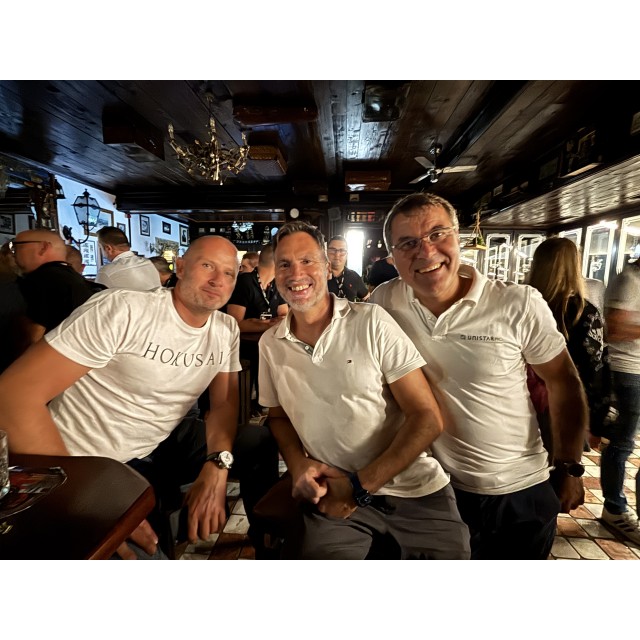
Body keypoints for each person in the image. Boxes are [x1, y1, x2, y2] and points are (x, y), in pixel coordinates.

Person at [370, 193, 588, 559]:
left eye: (437, 234)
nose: (426, 251)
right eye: (408, 243)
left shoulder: (517, 302)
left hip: (519, 487)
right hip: (437, 489)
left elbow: (563, 381)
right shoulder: (384, 302)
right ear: (392, 256)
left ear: (458, 237)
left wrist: (570, 466)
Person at [0, 235, 243, 559]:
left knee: (254, 442)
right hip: (73, 461)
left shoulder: (226, 330)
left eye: (229, 273)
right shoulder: (124, 310)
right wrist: (91, 498)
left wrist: (218, 465)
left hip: (149, 449)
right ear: (181, 268)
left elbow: (224, 403)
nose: (218, 280)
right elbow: (11, 397)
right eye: (208, 266)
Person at [258, 221, 470, 559]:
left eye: (307, 261)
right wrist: (297, 465)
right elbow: (278, 417)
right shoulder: (270, 344)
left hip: (415, 490)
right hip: (332, 493)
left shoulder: (371, 321)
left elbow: (427, 417)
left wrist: (357, 487)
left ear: (326, 266)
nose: (296, 273)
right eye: (285, 264)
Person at [528, 237, 611, 452]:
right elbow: (594, 368)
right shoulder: (583, 312)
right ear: (575, 266)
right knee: (563, 463)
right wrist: (595, 419)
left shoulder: (519, 305)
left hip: (519, 402)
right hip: (565, 405)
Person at [600, 258, 640, 544]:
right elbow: (613, 330)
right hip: (628, 371)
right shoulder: (629, 280)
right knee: (622, 443)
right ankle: (614, 507)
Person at [11, 229, 102, 345]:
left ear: (43, 247)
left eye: (16, 246)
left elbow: (33, 337)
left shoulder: (42, 279)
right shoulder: (75, 279)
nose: (13, 253)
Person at [226, 244, 287, 416]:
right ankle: (247, 411)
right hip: (243, 347)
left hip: (268, 345)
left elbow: (284, 314)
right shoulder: (245, 282)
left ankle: (266, 407)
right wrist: (268, 324)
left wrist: (261, 323)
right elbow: (235, 324)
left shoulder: (277, 284)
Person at [95, 226, 160, 290]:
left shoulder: (106, 272)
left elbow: (97, 296)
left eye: (100, 248)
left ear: (108, 248)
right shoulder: (148, 263)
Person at [326, 235, 369, 301]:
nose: (337, 254)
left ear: (347, 255)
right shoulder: (318, 276)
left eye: (342, 251)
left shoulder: (354, 277)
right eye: (333, 250)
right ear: (326, 252)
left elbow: (367, 298)